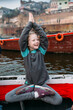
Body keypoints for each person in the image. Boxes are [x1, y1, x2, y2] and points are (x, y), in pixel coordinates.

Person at [5, 13, 62, 105]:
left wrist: (34, 24)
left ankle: (38, 93)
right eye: (33, 40)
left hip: (42, 85)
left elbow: (44, 38)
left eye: (37, 40)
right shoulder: (25, 53)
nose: (37, 42)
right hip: (28, 85)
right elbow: (22, 39)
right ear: (27, 43)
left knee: (58, 100)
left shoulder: (41, 51)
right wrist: (29, 24)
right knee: (8, 97)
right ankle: (34, 94)